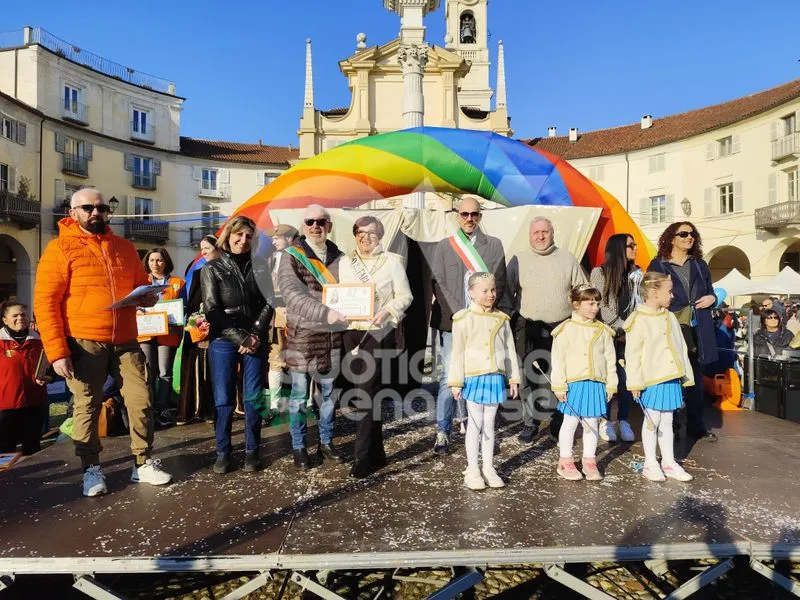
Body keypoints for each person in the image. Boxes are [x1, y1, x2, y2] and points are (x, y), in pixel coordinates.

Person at [34, 188, 172, 497]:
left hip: (125, 339)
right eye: (87, 208)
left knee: (141, 401)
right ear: (73, 213)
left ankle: (143, 462)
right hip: (84, 342)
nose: (95, 212)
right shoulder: (59, 249)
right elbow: (45, 304)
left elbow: (139, 287)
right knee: (86, 406)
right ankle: (91, 469)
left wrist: (146, 297)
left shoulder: (124, 247)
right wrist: (57, 352)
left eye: (101, 207)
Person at [430, 196, 508, 455]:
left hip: (483, 323)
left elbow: (500, 283)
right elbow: (438, 283)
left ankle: (480, 432)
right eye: (464, 214)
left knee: (481, 374)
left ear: (480, 216)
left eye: (474, 214)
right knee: (447, 378)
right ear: (457, 215)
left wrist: (482, 313)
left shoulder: (494, 246)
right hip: (453, 322)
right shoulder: (444, 246)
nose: (469, 219)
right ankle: (442, 431)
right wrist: (460, 314)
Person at [338, 216, 412, 478]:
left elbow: (405, 295)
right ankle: (377, 454)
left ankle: (361, 458)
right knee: (365, 393)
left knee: (367, 394)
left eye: (372, 232)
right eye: (361, 232)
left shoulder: (392, 261)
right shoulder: (346, 262)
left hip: (378, 333)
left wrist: (388, 310)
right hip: (351, 334)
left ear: (380, 235)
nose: (366, 237)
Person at [201, 217, 274, 474]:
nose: (243, 240)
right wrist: (239, 337)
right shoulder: (212, 268)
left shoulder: (261, 265)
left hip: (255, 337)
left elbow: (270, 300)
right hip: (224, 339)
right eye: (238, 234)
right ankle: (223, 451)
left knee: (253, 396)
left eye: (248, 236)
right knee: (223, 399)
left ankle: (252, 450)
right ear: (228, 235)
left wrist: (254, 334)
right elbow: (212, 310)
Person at [278, 204, 347, 470]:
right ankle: (298, 446)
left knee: (328, 396)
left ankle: (326, 442)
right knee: (298, 396)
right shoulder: (291, 255)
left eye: (321, 221)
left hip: (331, 338)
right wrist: (325, 313)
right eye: (310, 222)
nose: (316, 226)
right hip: (303, 338)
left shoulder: (340, 256)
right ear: (303, 226)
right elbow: (292, 296)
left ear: (329, 225)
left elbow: (351, 293)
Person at [507, 216, 588, 443]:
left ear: (553, 234)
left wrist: (581, 320)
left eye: (545, 232)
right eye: (536, 232)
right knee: (528, 378)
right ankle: (529, 423)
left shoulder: (567, 259)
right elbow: (507, 294)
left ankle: (556, 421)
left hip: (561, 328)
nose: (540, 236)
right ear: (529, 235)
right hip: (528, 327)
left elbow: (583, 290)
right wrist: (511, 320)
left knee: (559, 377)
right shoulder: (518, 260)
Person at [647, 222, 719, 442]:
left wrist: (712, 299)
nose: (690, 238)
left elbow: (711, 291)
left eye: (693, 234)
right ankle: (673, 423)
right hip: (671, 327)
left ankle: (696, 425)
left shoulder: (700, 264)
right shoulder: (658, 264)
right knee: (672, 376)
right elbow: (649, 296)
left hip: (698, 327)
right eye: (684, 234)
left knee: (696, 377)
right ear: (671, 238)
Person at [448, 273, 520, 490]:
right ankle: (473, 469)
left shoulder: (502, 319)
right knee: (475, 423)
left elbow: (509, 349)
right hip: (473, 376)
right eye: (485, 291)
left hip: (495, 377)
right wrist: (456, 381)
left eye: (493, 290)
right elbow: (457, 353)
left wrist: (513, 378)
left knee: (490, 423)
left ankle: (488, 467)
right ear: (471, 292)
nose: (491, 295)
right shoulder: (462, 319)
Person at [624, 272, 694, 482]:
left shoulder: (669, 317)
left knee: (667, 420)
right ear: (654, 292)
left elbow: (680, 348)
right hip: (651, 379)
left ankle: (669, 462)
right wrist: (634, 382)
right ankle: (650, 462)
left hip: (670, 377)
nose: (672, 296)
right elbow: (633, 354)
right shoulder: (638, 320)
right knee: (652, 420)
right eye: (669, 291)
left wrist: (685, 375)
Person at [550, 285, 617, 481]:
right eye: (590, 303)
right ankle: (565, 461)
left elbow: (609, 359)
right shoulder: (565, 329)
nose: (595, 307)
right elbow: (558, 360)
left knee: (592, 424)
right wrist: (559, 385)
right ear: (576, 304)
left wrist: (611, 383)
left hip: (596, 384)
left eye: (597, 303)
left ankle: (589, 460)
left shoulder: (603, 331)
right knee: (570, 423)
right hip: (574, 384)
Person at [589, 233, 640, 442]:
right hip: (610, 334)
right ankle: (606, 420)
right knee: (608, 377)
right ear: (619, 248)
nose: (634, 248)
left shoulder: (636, 275)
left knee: (627, 378)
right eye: (630, 245)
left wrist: (635, 328)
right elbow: (601, 305)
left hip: (630, 335)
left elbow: (640, 303)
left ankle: (624, 419)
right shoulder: (600, 272)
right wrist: (622, 327)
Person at [138, 247, 185, 429]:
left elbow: (184, 307)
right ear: (147, 263)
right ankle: (148, 410)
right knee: (149, 372)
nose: (155, 264)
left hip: (168, 333)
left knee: (165, 372)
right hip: (146, 332)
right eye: (151, 260)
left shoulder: (177, 283)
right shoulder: (140, 283)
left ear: (166, 262)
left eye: (159, 260)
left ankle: (164, 409)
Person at [176, 235, 218, 425]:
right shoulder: (196, 272)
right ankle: (193, 408)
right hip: (196, 325)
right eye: (202, 249)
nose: (203, 252)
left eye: (207, 247)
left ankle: (212, 409)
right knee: (194, 367)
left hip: (219, 326)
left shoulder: (227, 270)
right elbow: (186, 299)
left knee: (213, 369)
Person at [0, 301, 47, 455]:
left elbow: (52, 366)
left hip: (34, 404)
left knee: (33, 451)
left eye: (23, 314)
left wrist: (48, 377)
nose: (20, 318)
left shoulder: (40, 340)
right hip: (5, 407)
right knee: (5, 453)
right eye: (15, 315)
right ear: (5, 320)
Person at [264, 224, 299, 411]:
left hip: (298, 316)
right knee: (275, 359)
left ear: (290, 239)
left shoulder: (300, 259)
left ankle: (303, 401)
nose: (273, 240)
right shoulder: (269, 260)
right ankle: (274, 404)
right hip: (276, 317)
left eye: (277, 237)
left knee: (299, 361)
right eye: (273, 237)